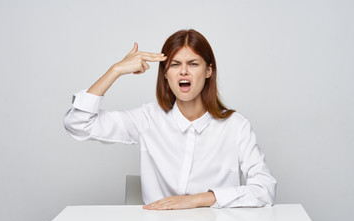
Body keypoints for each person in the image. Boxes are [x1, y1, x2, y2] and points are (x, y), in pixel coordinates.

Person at [63, 29, 277, 210]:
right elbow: (78, 124)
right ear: (165, 73)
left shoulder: (236, 126)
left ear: (209, 71)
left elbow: (265, 189)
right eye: (175, 64)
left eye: (193, 64)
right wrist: (115, 70)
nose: (183, 71)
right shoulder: (147, 118)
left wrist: (198, 200)